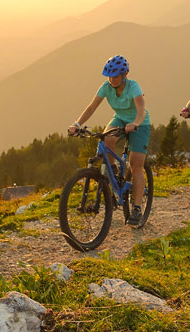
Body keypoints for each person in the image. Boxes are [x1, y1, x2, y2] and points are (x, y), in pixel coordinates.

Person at [68, 55, 150, 224]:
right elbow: (91, 107)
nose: (112, 79)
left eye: (115, 75)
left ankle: (136, 208)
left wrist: (135, 123)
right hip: (120, 118)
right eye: (110, 76)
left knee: (136, 165)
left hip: (139, 123)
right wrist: (77, 124)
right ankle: (113, 171)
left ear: (124, 74)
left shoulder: (133, 87)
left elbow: (141, 108)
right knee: (107, 139)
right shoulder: (106, 87)